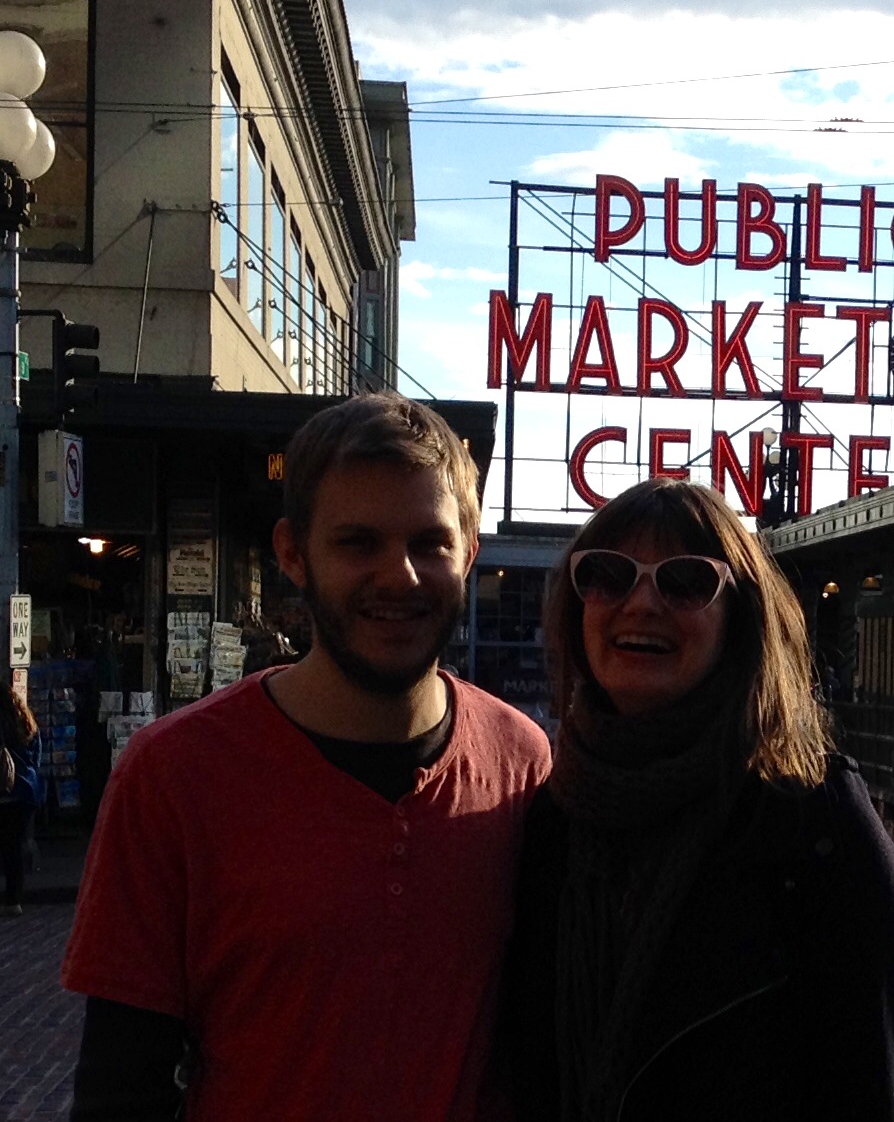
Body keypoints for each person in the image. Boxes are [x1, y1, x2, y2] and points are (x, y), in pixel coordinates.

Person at [62, 393, 552, 1121]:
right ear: (292, 553)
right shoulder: (174, 774)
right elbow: (120, 1083)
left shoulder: (523, 763)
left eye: (430, 543)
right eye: (359, 543)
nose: (401, 576)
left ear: (470, 551)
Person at [502, 477, 894, 1122]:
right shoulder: (553, 816)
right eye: (609, 575)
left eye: (686, 581)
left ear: (740, 618)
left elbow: (869, 1088)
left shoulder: (814, 822)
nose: (641, 603)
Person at [0, 685, 43, 916]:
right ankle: (13, 899)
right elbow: (36, 756)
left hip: (4, 791)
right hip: (25, 791)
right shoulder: (26, 722)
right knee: (14, 846)